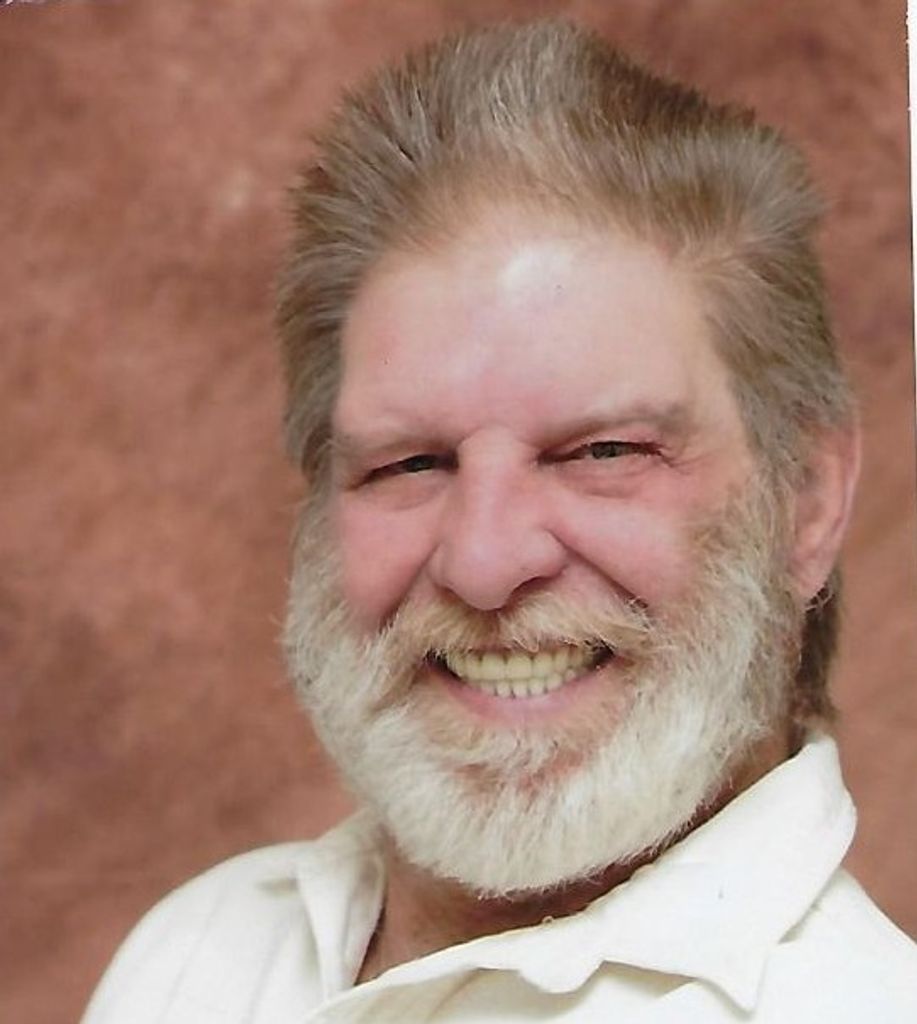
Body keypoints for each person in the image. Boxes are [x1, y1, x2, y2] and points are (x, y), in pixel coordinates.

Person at [83, 19, 917, 1023]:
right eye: (408, 464)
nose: (482, 562)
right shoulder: (190, 953)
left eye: (601, 452)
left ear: (805, 500)